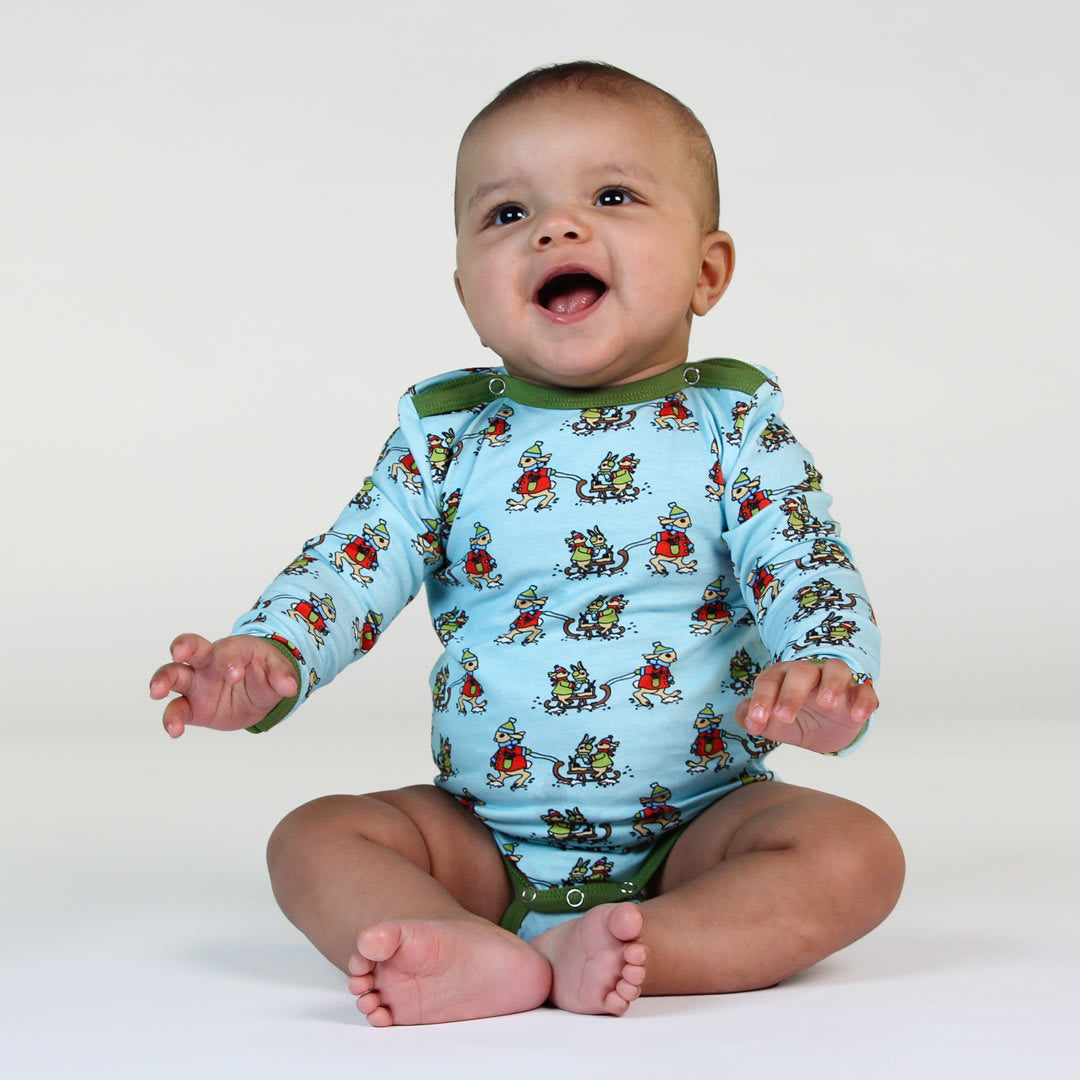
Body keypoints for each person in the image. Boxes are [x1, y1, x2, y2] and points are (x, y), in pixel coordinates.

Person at [149, 61, 904, 1027]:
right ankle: (456, 943)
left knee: (855, 855)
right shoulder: (448, 439)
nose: (556, 227)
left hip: (702, 826)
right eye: (508, 215)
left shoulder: (735, 430)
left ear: (707, 271)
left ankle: (652, 942)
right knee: (313, 836)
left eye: (614, 196)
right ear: (468, 288)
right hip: (478, 834)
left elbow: (809, 566)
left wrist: (827, 674)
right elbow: (348, 565)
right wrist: (270, 654)